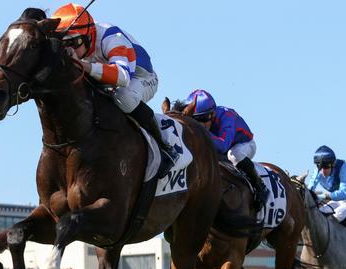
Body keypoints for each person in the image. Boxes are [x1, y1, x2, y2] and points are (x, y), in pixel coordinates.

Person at [51, 3, 178, 177]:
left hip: (140, 77)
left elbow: (122, 77)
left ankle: (165, 147)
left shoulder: (111, 37)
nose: (70, 50)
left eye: (74, 43)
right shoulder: (82, 41)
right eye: (65, 44)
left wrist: (84, 66)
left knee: (123, 97)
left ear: (88, 36)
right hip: (108, 77)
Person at [183, 89, 268, 210]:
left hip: (244, 145)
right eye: (196, 120)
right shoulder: (207, 118)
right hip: (223, 147)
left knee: (234, 155)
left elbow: (223, 146)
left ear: (212, 114)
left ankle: (259, 186)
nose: (200, 124)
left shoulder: (227, 117)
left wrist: (200, 132)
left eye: (203, 119)